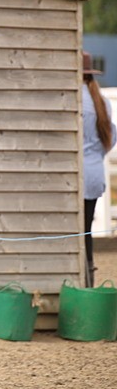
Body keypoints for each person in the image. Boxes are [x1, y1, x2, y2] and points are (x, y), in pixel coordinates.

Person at [81, 51, 115, 286]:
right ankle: (89, 279)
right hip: (94, 174)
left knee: (73, 232)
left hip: (76, 175)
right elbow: (110, 139)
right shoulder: (103, 102)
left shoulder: (74, 99)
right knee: (86, 231)